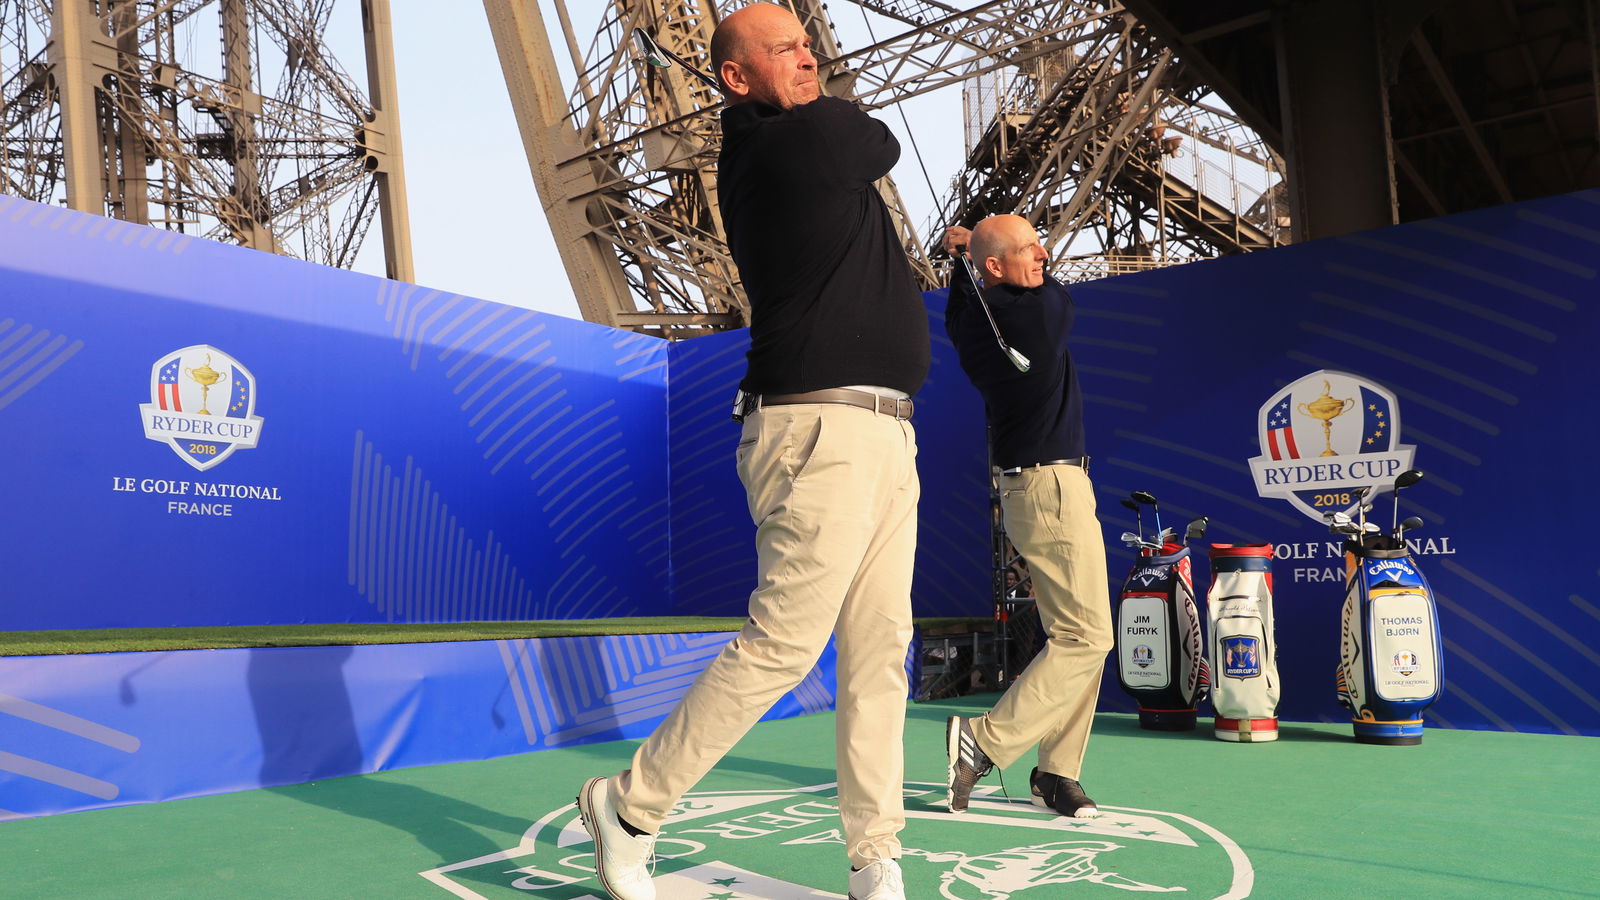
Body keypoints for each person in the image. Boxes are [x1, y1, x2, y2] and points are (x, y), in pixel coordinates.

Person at [574, 5, 929, 900]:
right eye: (787, 50)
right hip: (818, 428)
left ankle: (874, 856)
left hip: (885, 431)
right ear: (736, 79)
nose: (809, 59)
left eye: (811, 46)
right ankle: (628, 807)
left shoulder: (805, 138)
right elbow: (871, 139)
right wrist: (820, 102)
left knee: (881, 650)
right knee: (785, 642)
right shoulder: (780, 149)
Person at [940, 214, 1112, 820]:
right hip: (1053, 488)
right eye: (1029, 249)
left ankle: (1058, 773)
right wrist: (975, 257)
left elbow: (965, 302)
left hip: (1026, 492)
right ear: (997, 267)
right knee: (1089, 637)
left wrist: (964, 262)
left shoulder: (971, 322)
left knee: (1078, 637)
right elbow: (1048, 290)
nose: (1042, 255)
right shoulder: (1039, 314)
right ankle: (984, 742)